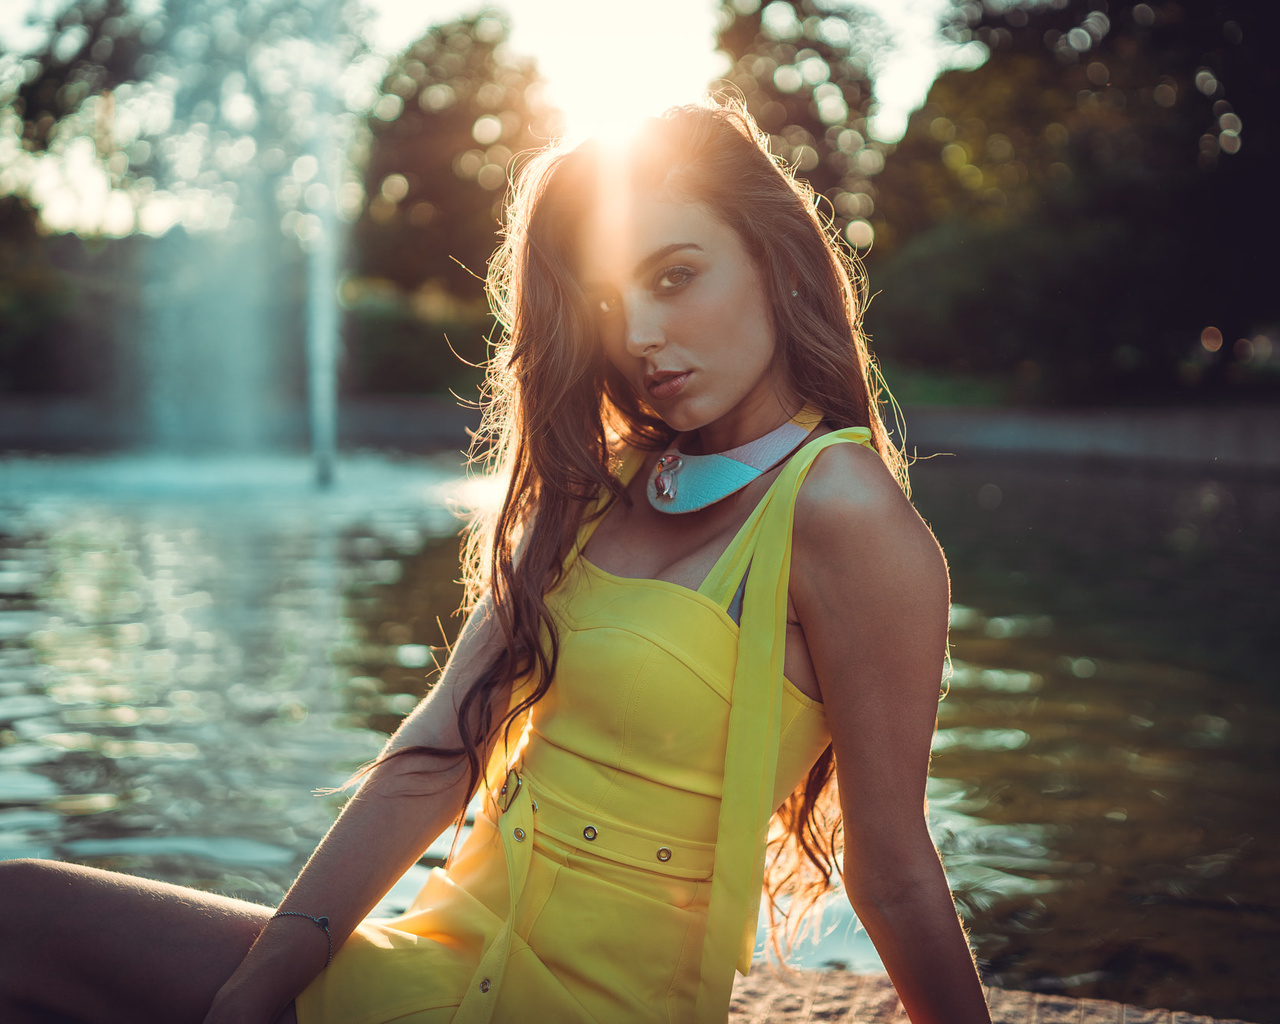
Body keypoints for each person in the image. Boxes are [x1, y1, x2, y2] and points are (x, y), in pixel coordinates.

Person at [0, 101, 991, 1024]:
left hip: (589, 1006)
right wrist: (262, 983)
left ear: (774, 262)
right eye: (605, 298)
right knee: (20, 913)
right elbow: (439, 747)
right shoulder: (601, 486)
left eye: (675, 275)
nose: (637, 334)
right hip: (440, 964)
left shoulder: (844, 513)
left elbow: (891, 867)